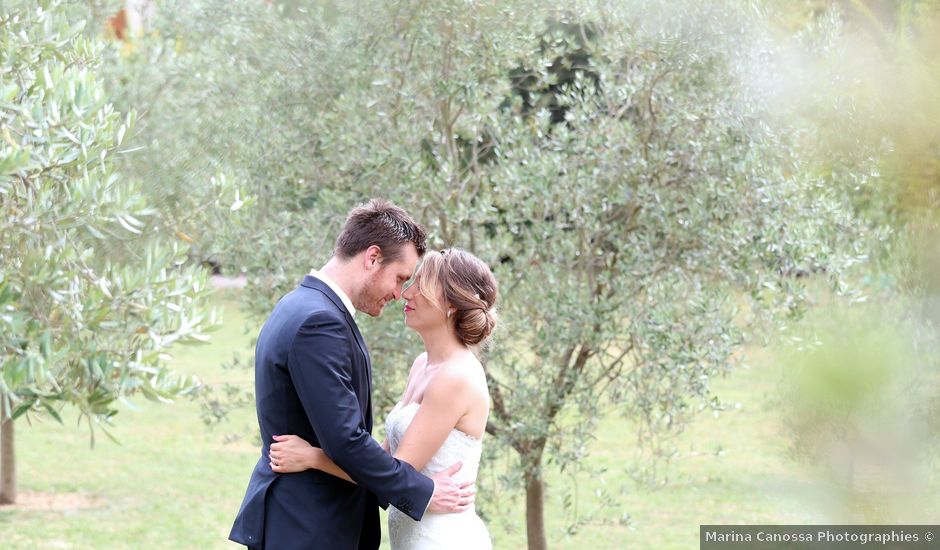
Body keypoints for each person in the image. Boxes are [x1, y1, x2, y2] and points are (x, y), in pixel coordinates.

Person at [229, 201, 474, 550]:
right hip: (311, 528)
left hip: (303, 522)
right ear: (373, 257)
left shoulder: (300, 305)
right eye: (401, 277)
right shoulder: (320, 322)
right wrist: (425, 491)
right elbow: (345, 441)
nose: (399, 292)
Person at [269, 247, 498, 550]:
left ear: (451, 305)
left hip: (441, 538)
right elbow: (381, 462)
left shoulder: (456, 378)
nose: (406, 294)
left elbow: (396, 470)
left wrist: (312, 457)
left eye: (420, 285)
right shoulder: (422, 365)